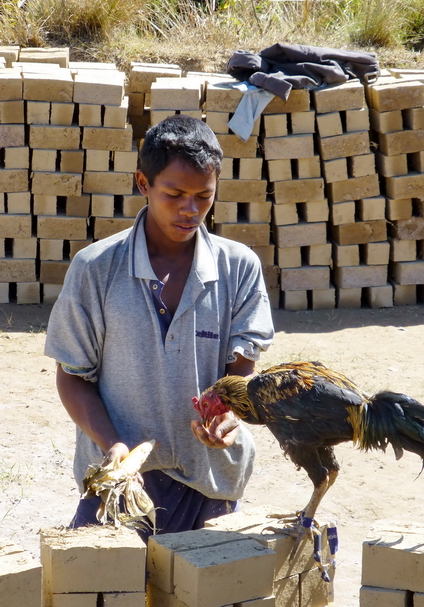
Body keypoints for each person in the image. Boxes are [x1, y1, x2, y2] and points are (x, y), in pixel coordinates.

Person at [44, 114, 274, 538]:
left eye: (204, 196)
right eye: (175, 194)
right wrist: (112, 445)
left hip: (210, 480)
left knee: (204, 594)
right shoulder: (96, 268)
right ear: (143, 184)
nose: (191, 210)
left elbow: (242, 364)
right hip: (120, 484)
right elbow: (72, 377)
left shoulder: (239, 267)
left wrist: (228, 413)